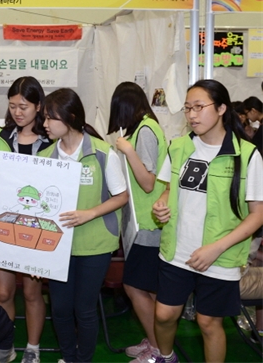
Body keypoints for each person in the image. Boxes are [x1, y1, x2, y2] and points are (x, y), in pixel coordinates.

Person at [150, 79, 263, 363]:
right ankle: (165, 357)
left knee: (209, 323)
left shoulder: (247, 155)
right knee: (164, 315)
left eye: (199, 107)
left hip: (220, 254)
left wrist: (216, 248)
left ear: (222, 108)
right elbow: (169, 189)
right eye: (188, 108)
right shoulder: (178, 147)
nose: (192, 115)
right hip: (177, 249)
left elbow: (257, 214)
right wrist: (162, 204)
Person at [41, 88, 128, 363]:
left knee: (85, 309)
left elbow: (122, 196)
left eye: (50, 117)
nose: (45, 124)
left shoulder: (103, 153)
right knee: (60, 309)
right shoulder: (45, 157)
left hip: (96, 243)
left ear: (70, 117)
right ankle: (68, 357)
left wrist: (89, 214)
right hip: (57, 245)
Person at [0, 76, 53, 363]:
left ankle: (33, 348)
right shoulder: (0, 136)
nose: (17, 112)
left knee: (33, 292)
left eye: (23, 106)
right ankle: (4, 346)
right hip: (4, 224)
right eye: (12, 106)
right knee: (2, 293)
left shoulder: (51, 139)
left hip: (35, 227)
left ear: (38, 106)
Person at [106, 81, 167, 363]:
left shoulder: (145, 131)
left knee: (134, 287)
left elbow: (148, 182)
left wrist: (128, 151)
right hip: (143, 223)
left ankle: (158, 348)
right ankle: (156, 342)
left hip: (148, 225)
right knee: (145, 288)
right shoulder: (145, 128)